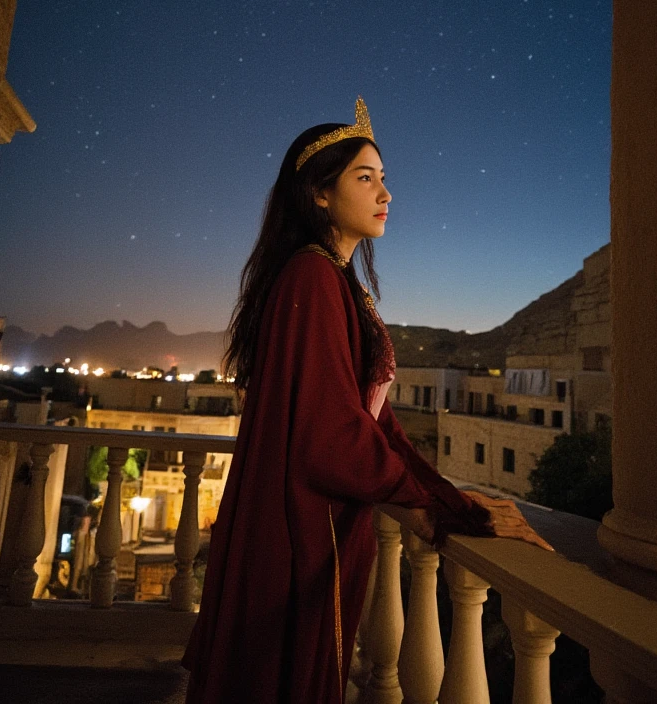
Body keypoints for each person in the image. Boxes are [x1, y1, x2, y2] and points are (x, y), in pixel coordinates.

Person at [182, 98, 551, 704]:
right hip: (302, 524)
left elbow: (376, 425)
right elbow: (329, 435)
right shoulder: (311, 277)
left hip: (324, 521)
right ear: (319, 194)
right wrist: (445, 505)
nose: (385, 193)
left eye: (385, 179)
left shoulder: (334, 281)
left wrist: (447, 498)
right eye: (365, 177)